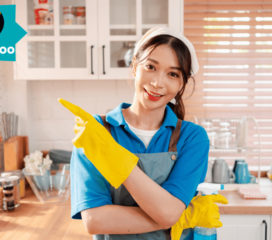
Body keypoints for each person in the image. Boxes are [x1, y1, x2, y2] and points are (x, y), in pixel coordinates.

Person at [68, 27, 212, 239]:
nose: (157, 83)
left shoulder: (192, 138)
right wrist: (176, 216)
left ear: (182, 83)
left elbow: (169, 212)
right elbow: (94, 220)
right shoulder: (96, 131)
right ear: (135, 66)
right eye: (151, 67)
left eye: (172, 74)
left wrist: (116, 160)